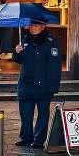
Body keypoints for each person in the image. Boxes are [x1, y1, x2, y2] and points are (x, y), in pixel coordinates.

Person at [11, 18, 62, 148]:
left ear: (43, 27)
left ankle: (38, 139)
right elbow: (19, 60)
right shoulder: (24, 41)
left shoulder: (51, 43)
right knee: (25, 114)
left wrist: (52, 87)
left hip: (43, 84)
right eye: (31, 25)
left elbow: (54, 67)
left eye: (36, 25)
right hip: (26, 83)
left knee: (43, 114)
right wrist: (16, 53)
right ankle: (26, 137)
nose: (32, 28)